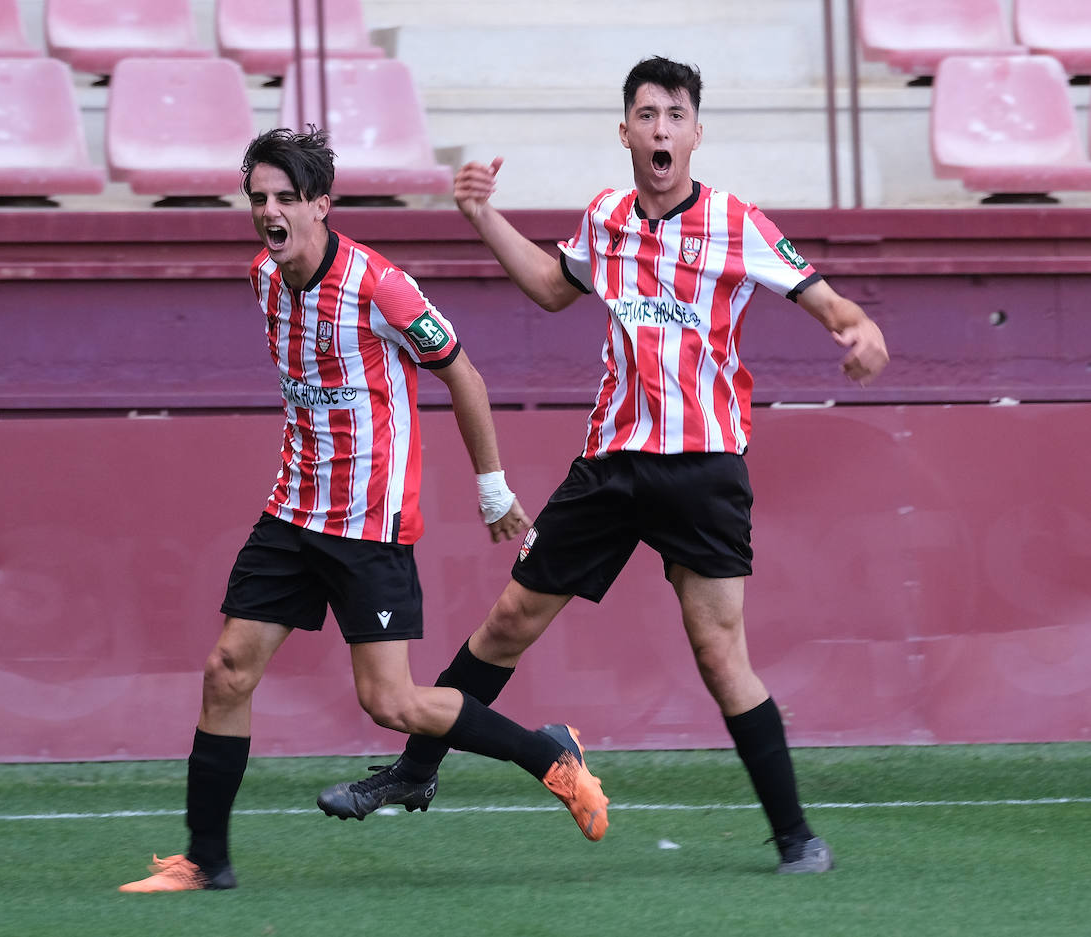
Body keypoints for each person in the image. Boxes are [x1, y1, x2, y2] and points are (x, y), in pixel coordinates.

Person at [317, 57, 889, 875]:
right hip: (610, 467)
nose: (661, 128)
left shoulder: (737, 223)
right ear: (625, 132)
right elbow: (555, 288)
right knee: (509, 621)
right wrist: (482, 216)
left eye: (675, 115)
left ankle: (797, 835)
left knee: (721, 656)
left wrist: (858, 330)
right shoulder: (606, 220)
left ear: (696, 132)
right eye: (646, 115)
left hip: (703, 472)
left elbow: (829, 301)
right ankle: (414, 772)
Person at [117, 127, 610, 894]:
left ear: (322, 204)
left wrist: (492, 488)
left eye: (286, 197)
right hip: (292, 511)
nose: (269, 212)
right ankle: (204, 860)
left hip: (367, 523)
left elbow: (465, 375)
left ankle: (548, 754)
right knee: (225, 671)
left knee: (391, 702)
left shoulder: (380, 285)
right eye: (258, 199)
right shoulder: (263, 277)